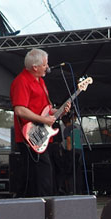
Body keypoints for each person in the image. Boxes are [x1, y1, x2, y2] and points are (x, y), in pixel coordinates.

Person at [10, 48, 69, 197]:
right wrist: (44, 119)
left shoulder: (41, 81)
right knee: (40, 175)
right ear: (35, 67)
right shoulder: (22, 81)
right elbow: (20, 110)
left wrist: (60, 111)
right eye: (44, 65)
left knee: (45, 174)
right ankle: (40, 205)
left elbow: (46, 109)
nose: (47, 67)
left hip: (41, 134)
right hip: (29, 136)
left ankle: (40, 203)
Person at [61, 113, 86, 194]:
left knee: (71, 172)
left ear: (63, 122)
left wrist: (68, 153)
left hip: (73, 151)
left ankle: (72, 190)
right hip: (80, 150)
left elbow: (68, 141)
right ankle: (79, 190)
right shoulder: (76, 128)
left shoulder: (66, 129)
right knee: (78, 171)